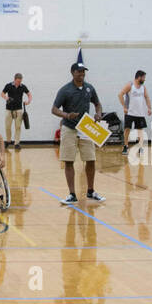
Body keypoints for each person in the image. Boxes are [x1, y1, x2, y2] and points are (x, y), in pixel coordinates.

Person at [51, 62, 105, 206]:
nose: (82, 74)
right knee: (69, 161)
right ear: (72, 73)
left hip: (86, 128)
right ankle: (72, 194)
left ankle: (91, 191)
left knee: (91, 159)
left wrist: (98, 114)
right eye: (79, 72)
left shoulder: (89, 88)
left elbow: (97, 104)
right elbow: (54, 109)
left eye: (83, 72)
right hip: (69, 128)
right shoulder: (65, 90)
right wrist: (67, 115)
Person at [119, 70, 151, 156]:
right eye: (143, 77)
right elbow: (120, 94)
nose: (144, 79)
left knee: (140, 130)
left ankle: (140, 148)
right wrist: (124, 107)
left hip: (140, 113)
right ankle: (126, 146)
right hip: (130, 112)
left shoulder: (143, 87)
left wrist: (149, 108)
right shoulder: (130, 85)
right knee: (127, 129)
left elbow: (147, 97)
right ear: (139, 77)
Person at [1, 73, 31, 148]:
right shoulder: (8, 85)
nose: (19, 83)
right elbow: (2, 94)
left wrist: (28, 101)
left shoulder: (23, 86)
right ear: (14, 79)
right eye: (18, 81)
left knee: (18, 127)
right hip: (9, 109)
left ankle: (16, 143)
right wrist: (6, 98)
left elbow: (29, 94)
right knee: (7, 127)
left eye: (20, 81)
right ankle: (8, 141)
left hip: (19, 110)